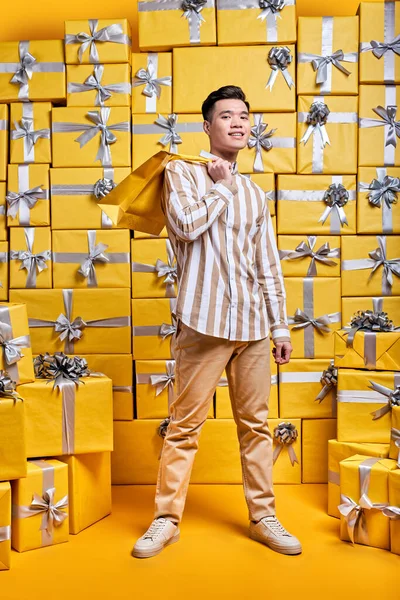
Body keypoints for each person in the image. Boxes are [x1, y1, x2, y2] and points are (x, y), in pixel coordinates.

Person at [132, 85, 301, 559]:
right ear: (207, 126)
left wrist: (280, 325)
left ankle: (263, 517)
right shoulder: (180, 172)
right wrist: (221, 186)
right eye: (226, 115)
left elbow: (266, 262)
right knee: (184, 427)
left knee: (257, 427)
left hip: (252, 327)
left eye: (244, 116)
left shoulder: (253, 192)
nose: (238, 122)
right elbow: (185, 226)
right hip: (202, 323)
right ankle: (165, 521)